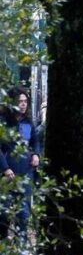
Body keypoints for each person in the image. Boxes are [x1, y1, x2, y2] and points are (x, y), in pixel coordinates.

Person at [0, 89, 40, 245]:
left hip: (25, 173)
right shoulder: (3, 121)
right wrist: (5, 168)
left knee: (23, 214)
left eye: (25, 101)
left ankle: (21, 248)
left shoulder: (28, 122)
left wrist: (36, 154)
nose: (23, 104)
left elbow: (35, 141)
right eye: (19, 101)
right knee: (4, 214)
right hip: (7, 175)